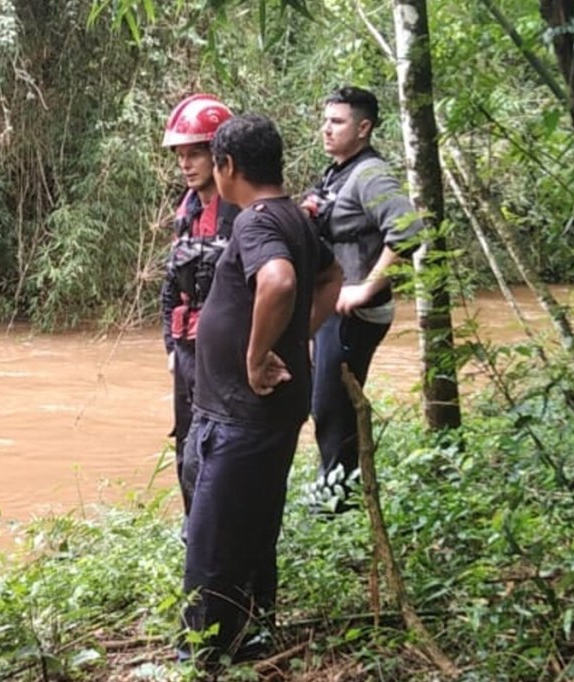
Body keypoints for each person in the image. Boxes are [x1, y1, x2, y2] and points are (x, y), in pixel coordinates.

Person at [179, 114, 342, 664]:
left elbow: (280, 280)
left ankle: (204, 656)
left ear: (227, 167)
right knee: (251, 525)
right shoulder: (293, 215)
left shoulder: (256, 222)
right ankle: (250, 631)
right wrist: (297, 333)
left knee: (213, 543)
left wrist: (254, 358)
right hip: (255, 413)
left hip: (241, 414)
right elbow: (331, 277)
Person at [300, 86, 423, 513]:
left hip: (355, 314)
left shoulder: (370, 174)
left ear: (364, 127)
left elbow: (408, 229)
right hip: (331, 311)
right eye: (325, 120)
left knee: (332, 409)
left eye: (337, 122)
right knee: (325, 405)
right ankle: (334, 495)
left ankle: (336, 508)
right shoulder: (338, 172)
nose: (326, 129)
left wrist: (367, 287)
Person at [159, 94, 241, 517]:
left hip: (226, 353)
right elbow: (171, 286)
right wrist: (171, 349)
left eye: (195, 154)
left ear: (219, 155)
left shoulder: (241, 213)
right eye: (180, 156)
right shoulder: (188, 209)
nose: (186, 164)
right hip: (189, 350)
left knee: (217, 450)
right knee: (186, 446)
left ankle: (219, 536)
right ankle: (194, 532)